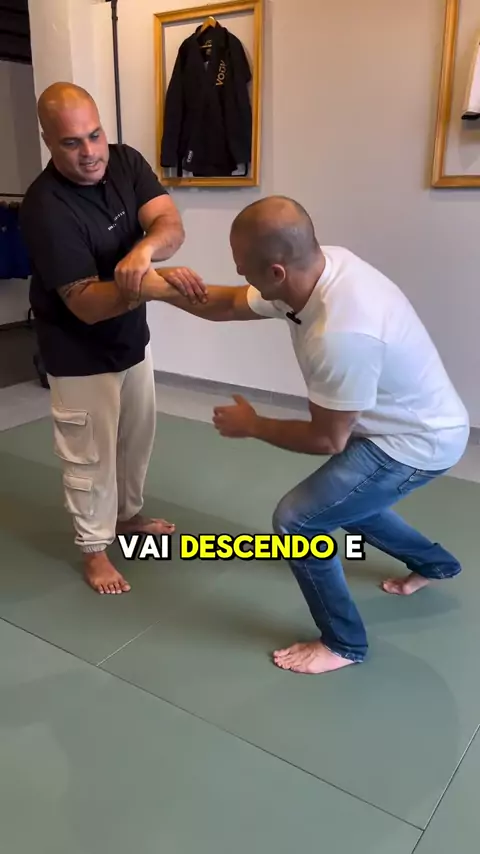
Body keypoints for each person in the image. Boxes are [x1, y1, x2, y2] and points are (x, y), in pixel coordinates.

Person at [133, 195, 470, 675]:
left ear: (276, 273)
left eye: (243, 265)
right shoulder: (320, 266)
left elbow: (328, 440)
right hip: (401, 422)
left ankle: (344, 643)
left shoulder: (341, 334)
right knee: (351, 505)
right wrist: (156, 288)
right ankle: (436, 565)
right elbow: (227, 304)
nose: (238, 272)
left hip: (416, 444)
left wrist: (254, 426)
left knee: (299, 521)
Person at [20, 82, 206, 596]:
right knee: (90, 458)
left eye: (94, 135)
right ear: (48, 142)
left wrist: (143, 253)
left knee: (134, 443)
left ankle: (126, 518)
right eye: (71, 142)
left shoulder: (124, 162)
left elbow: (168, 222)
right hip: (78, 352)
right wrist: (160, 286)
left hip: (131, 341)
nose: (89, 152)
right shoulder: (44, 206)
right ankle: (94, 549)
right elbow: (85, 303)